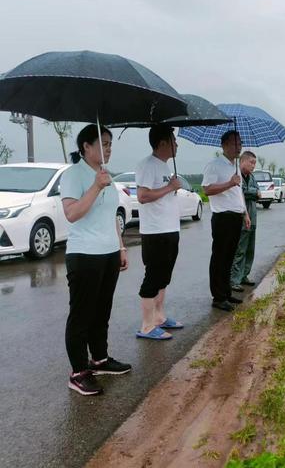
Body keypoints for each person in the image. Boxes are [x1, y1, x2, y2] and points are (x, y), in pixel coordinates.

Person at [60, 124, 131, 396]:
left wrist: (121, 247)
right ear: (85, 147)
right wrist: (95, 186)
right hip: (84, 255)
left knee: (102, 311)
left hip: (109, 252)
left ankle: (99, 359)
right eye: (102, 143)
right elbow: (72, 213)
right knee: (81, 315)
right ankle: (78, 372)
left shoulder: (105, 176)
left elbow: (111, 215)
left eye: (110, 143)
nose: (108, 148)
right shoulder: (74, 175)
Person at [134, 125, 183, 340]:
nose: (177, 144)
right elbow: (142, 196)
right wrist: (169, 188)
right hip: (155, 232)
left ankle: (159, 317)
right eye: (173, 139)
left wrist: (172, 186)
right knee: (153, 278)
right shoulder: (147, 165)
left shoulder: (164, 166)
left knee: (164, 276)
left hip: (170, 229)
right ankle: (146, 326)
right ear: (162, 142)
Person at [202, 130, 250, 311]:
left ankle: (227, 292)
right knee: (220, 258)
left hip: (236, 216)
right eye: (234, 143)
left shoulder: (235, 166)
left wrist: (245, 213)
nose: (238, 147)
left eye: (240, 143)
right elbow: (206, 190)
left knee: (230, 257)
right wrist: (229, 183)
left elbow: (238, 193)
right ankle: (218, 296)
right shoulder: (214, 165)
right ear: (223, 145)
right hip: (222, 217)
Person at [231, 151, 259, 292]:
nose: (253, 165)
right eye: (251, 162)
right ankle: (234, 279)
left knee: (250, 250)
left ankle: (244, 275)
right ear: (242, 161)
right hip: (242, 219)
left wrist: (251, 192)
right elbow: (240, 193)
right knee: (240, 251)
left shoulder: (252, 177)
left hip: (253, 217)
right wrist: (252, 192)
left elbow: (258, 193)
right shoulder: (237, 177)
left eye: (254, 163)